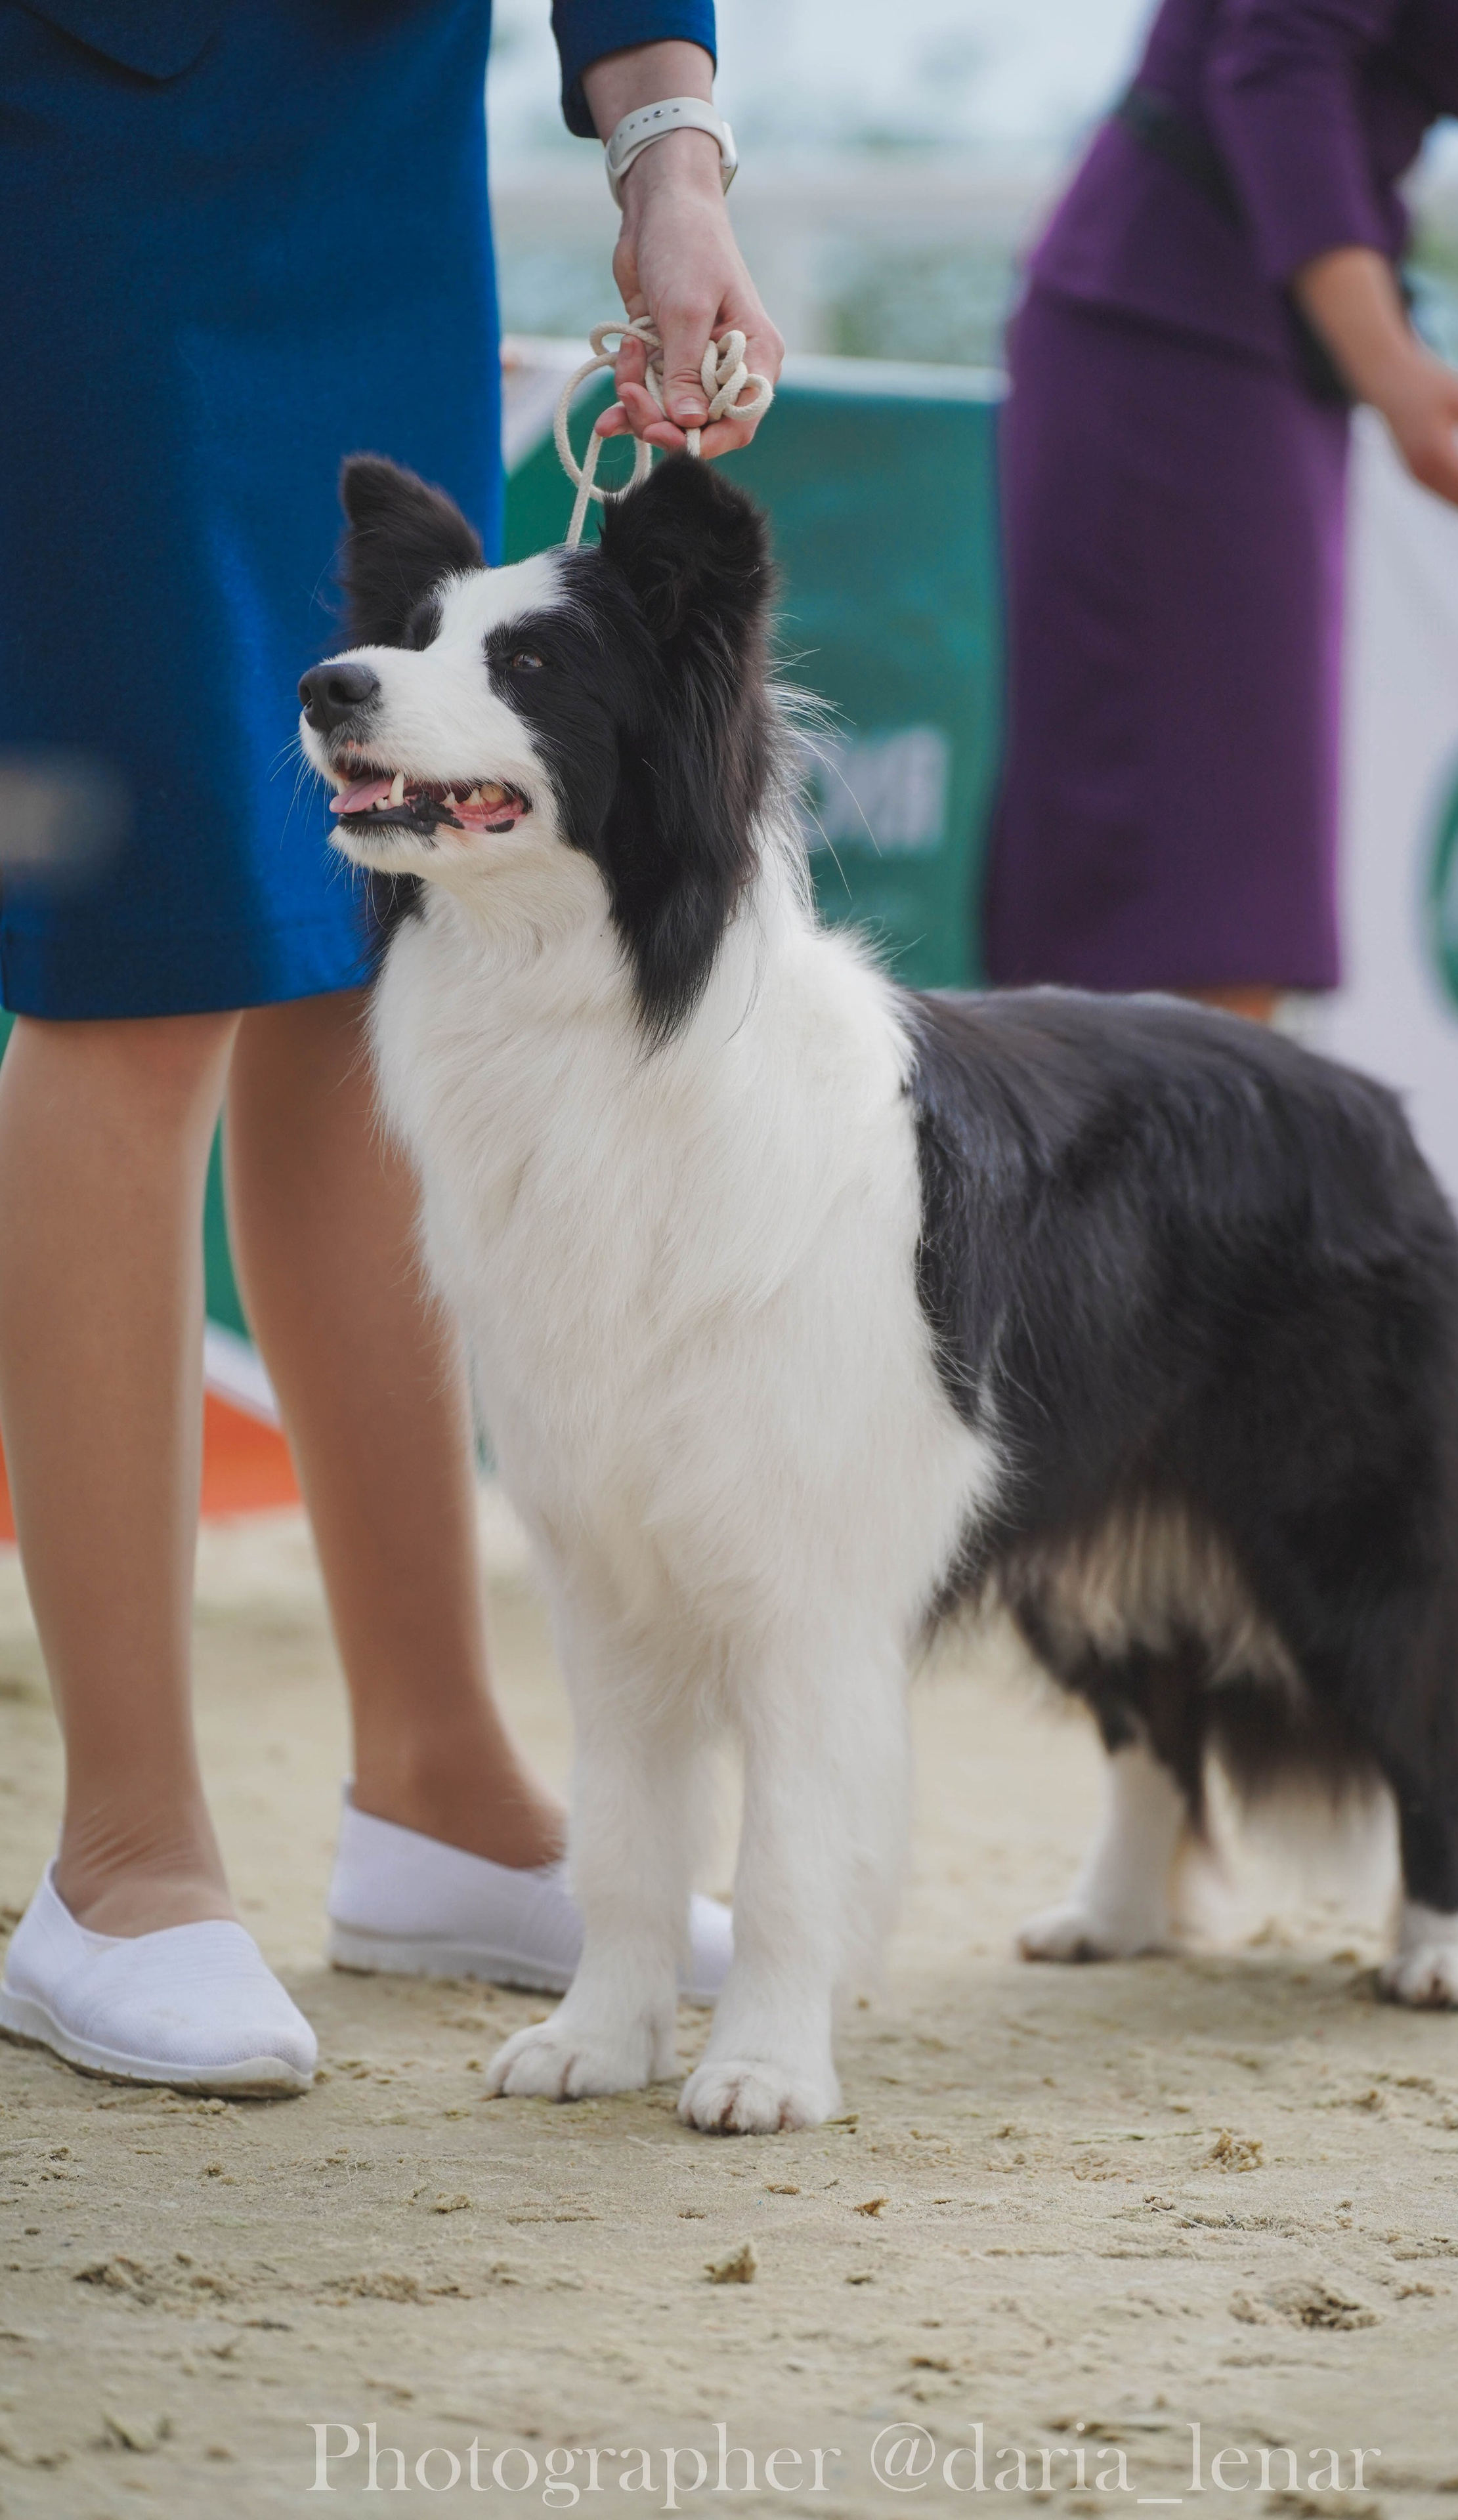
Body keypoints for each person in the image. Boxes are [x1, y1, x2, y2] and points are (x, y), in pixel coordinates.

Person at [0, 1, 781, 2093]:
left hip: (384, 156)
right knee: (138, 955)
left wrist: (671, 150)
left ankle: (437, 1782)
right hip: (73, 142)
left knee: (370, 942)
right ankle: (122, 1857)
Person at [985, 0, 1458, 1022]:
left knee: (1239, 893)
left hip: (1293, 365)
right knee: (1171, 898)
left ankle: (1206, 1125)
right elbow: (1276, 63)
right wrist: (1390, 362)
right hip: (1153, 322)